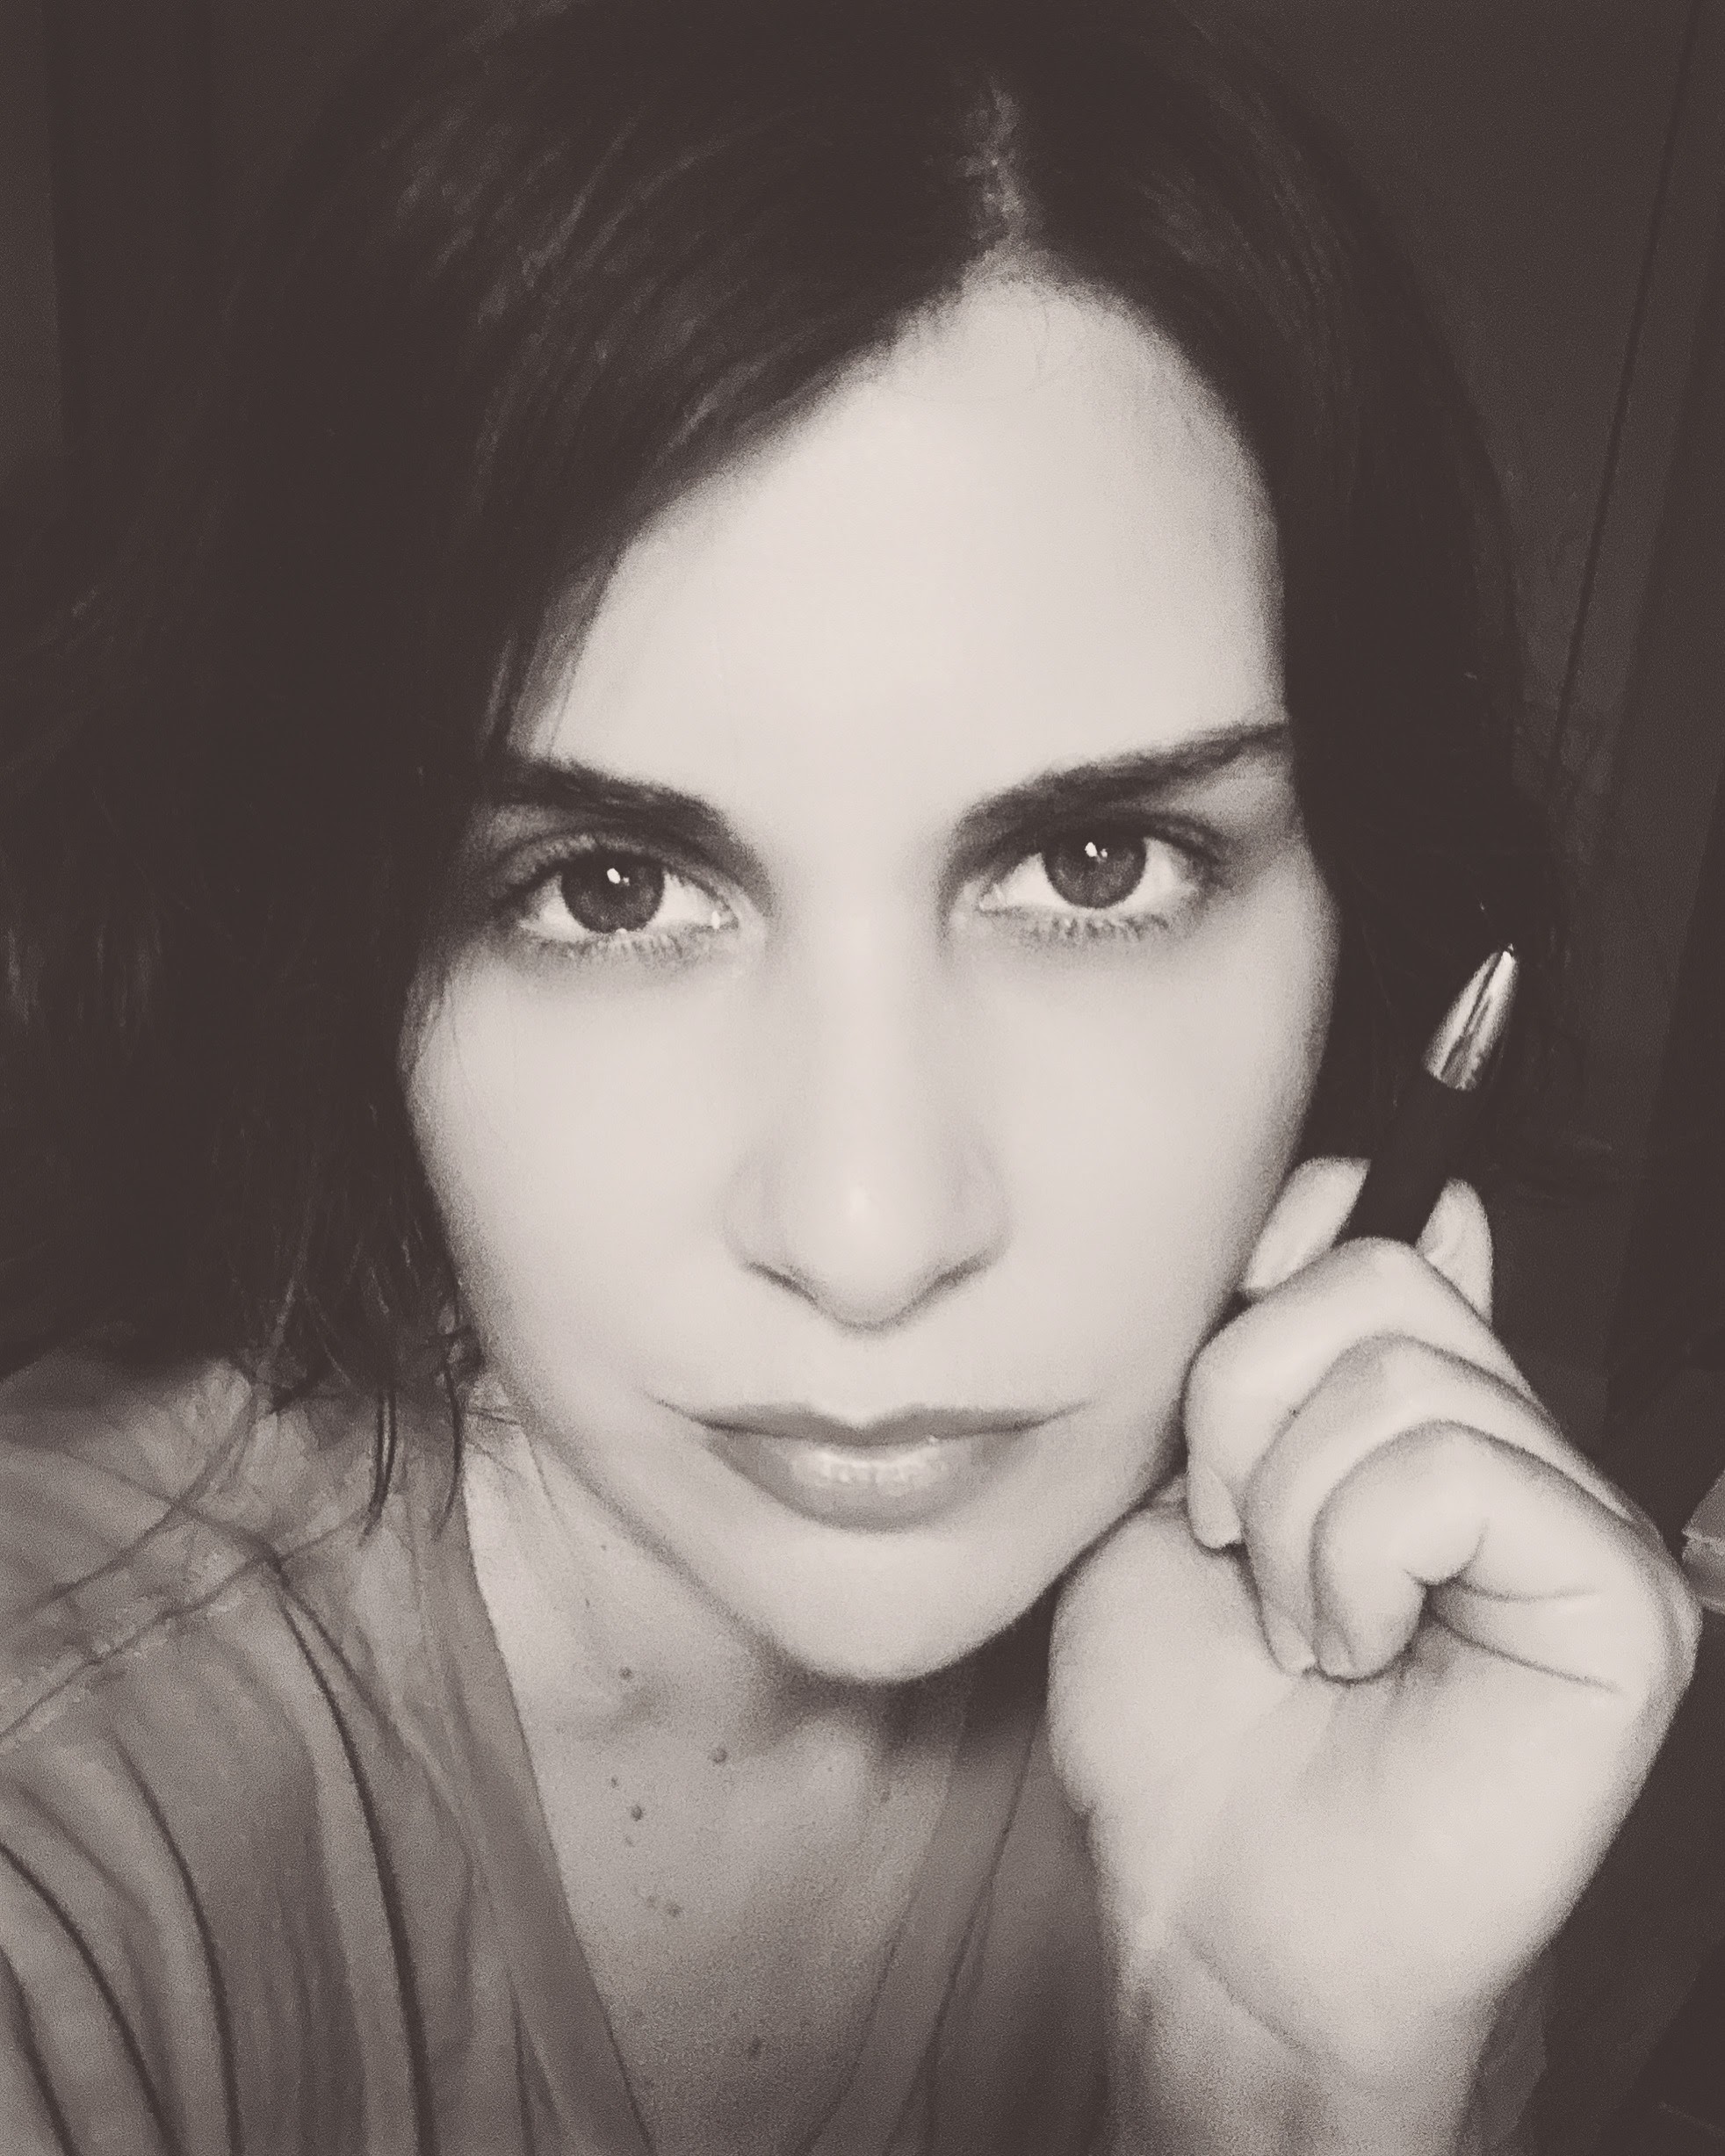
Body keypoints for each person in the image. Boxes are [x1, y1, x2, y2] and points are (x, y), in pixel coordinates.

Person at [0, 0, 1700, 2150]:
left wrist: (1290, 2088)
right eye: (609, 888)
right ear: (346, 946)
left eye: (1095, 866)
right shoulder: (73, 1811)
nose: (870, 1237)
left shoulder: (1357, 1743)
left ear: (1368, 912)